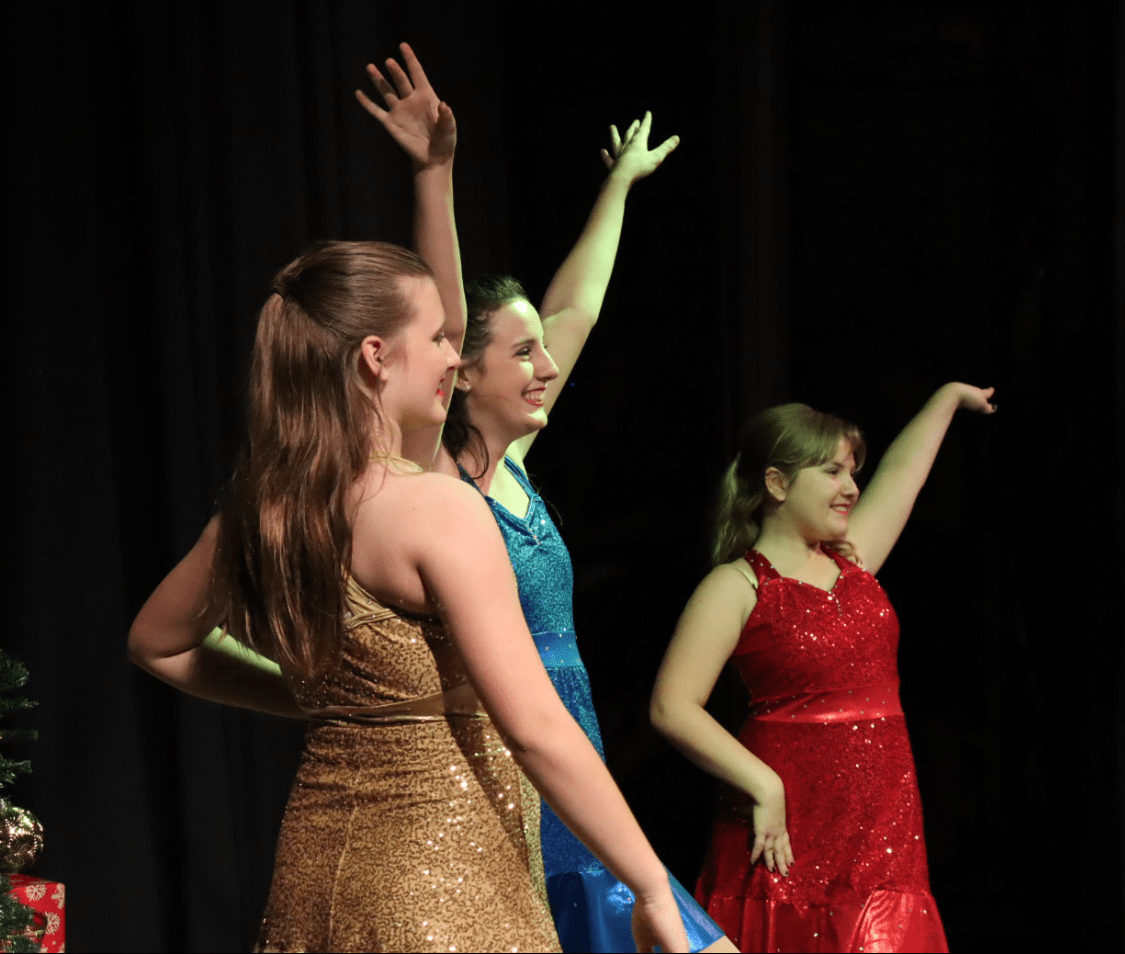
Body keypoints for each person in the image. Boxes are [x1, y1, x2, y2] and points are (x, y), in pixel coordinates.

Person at [128, 257, 690, 949]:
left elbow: (155, 642)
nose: (454, 358)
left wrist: (327, 703)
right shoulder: (437, 508)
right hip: (442, 891)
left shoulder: (262, 508)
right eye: (437, 338)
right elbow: (535, 729)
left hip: (312, 878)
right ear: (376, 356)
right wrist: (650, 885)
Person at [358, 43, 736, 954]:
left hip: (576, 759)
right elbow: (448, 317)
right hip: (503, 769)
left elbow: (579, 307)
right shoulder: (437, 479)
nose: (547, 366)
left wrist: (620, 188)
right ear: (461, 370)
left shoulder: (515, 461)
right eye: (521, 353)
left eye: (542, 350)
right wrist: (434, 175)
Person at [650, 385, 995, 952]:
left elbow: (903, 473)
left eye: (853, 472)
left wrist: (948, 398)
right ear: (777, 483)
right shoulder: (737, 585)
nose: (852, 488)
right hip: (788, 828)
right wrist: (763, 783)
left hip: (880, 831)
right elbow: (672, 707)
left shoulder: (853, 559)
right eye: (833, 472)